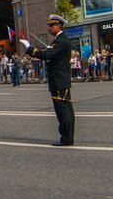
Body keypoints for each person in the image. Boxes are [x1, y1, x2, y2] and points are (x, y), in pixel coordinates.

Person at [21, 14, 75, 146]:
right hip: (61, 80)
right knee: (66, 109)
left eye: (51, 25)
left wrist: (29, 49)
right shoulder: (62, 40)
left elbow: (46, 55)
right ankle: (67, 137)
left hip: (59, 81)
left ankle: (66, 138)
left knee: (62, 111)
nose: (49, 28)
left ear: (58, 26)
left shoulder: (60, 41)